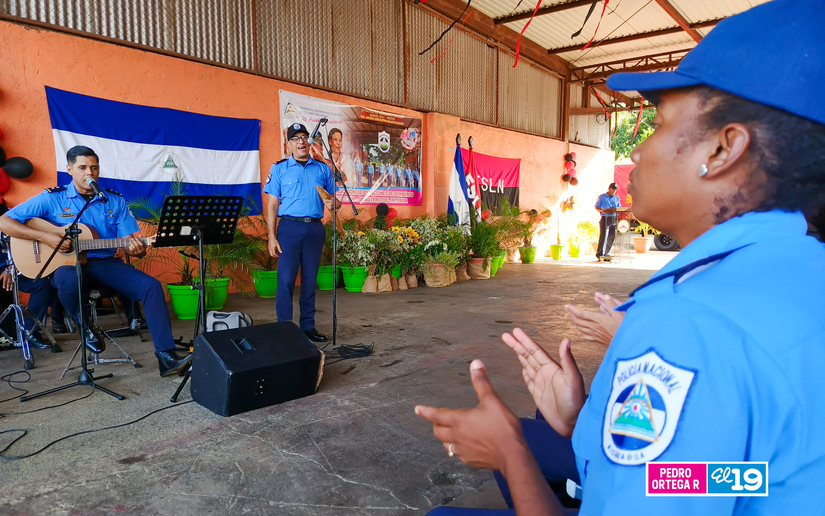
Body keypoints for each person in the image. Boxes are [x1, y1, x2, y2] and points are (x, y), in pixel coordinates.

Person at [415, 0, 825, 514]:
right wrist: (585, 421)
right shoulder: (802, 271)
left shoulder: (690, 319)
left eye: (658, 124)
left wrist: (509, 453)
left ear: (724, 150)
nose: (638, 152)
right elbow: (749, 477)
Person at [0, 146, 192, 377]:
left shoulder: (113, 200)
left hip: (105, 263)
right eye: (82, 167)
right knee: (67, 280)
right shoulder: (52, 198)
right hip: (66, 266)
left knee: (151, 287)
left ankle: (166, 356)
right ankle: (86, 327)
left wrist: (138, 249)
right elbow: (4, 221)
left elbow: (130, 242)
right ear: (70, 169)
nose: (89, 172)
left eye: (94, 167)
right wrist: (46, 236)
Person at [265, 123, 338, 343]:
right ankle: (285, 330)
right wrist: (271, 236)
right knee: (286, 281)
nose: (301, 141)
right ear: (289, 144)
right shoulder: (279, 169)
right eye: (296, 138)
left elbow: (336, 201)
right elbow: (272, 205)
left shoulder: (323, 169)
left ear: (309, 141)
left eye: (304, 137)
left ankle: (308, 327)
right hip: (289, 228)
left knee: (309, 281)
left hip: (315, 228)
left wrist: (334, 203)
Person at [594, 183, 621, 260]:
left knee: (612, 236)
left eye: (615, 190)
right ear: (609, 188)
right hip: (605, 218)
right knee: (604, 236)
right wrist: (602, 210)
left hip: (614, 218)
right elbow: (596, 207)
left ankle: (607, 254)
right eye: (612, 189)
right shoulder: (602, 197)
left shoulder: (616, 198)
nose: (614, 191)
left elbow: (619, 208)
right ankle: (600, 254)